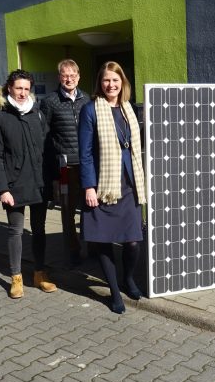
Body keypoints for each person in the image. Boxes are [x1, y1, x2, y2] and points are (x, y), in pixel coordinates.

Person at [78, 61, 145, 314]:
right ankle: (114, 291)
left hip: (129, 183)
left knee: (132, 242)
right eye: (106, 80)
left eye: (115, 80)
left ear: (122, 82)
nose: (111, 85)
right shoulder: (90, 110)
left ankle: (128, 278)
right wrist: (89, 187)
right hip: (104, 184)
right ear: (100, 82)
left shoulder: (129, 108)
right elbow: (84, 153)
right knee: (104, 240)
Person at [0, 69, 57, 299]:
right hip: (14, 184)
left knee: (39, 230)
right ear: (9, 88)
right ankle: (16, 278)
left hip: (39, 183)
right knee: (15, 231)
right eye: (19, 88)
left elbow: (48, 149)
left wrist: (53, 180)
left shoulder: (37, 114)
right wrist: (2, 188)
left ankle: (39, 274)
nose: (22, 93)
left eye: (27, 89)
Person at [40, 59, 89, 267]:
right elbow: (44, 135)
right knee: (68, 210)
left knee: (89, 207)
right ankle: (73, 250)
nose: (69, 79)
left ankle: (92, 245)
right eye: (64, 75)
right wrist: (50, 168)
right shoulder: (50, 101)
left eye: (73, 75)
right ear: (59, 77)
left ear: (78, 76)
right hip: (65, 166)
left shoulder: (87, 99)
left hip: (87, 164)